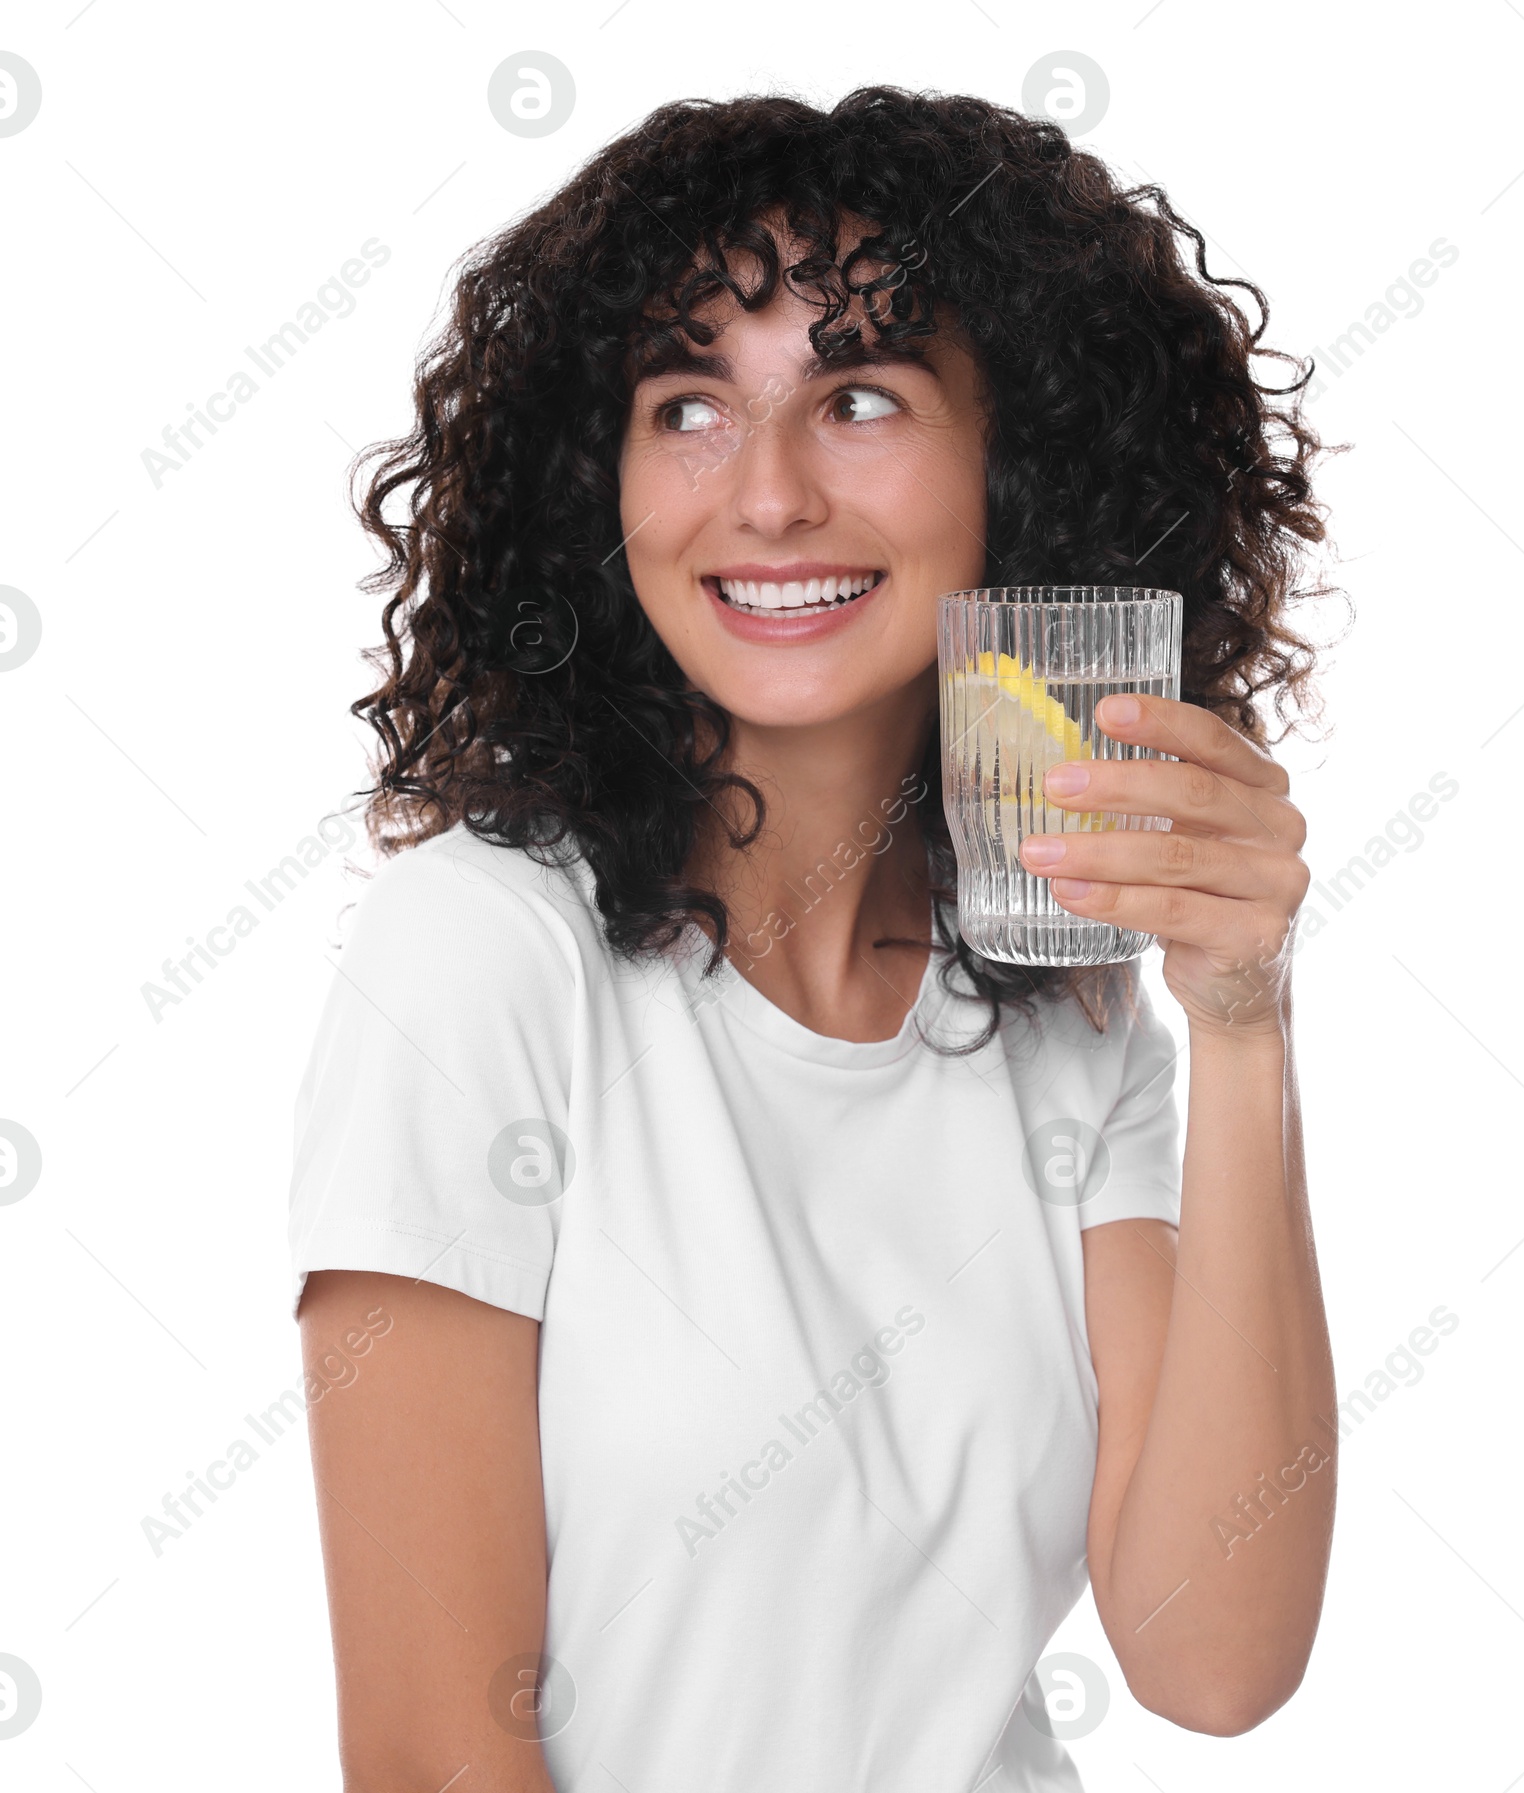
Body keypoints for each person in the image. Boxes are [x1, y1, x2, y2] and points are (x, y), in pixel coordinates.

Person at [289, 86, 1336, 1793]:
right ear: (595, 481)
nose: (764, 495)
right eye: (687, 404)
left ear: (1026, 460)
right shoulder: (482, 959)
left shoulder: (1070, 1006)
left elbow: (1213, 1659)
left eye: (857, 396)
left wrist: (1240, 1022)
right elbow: (426, 1758)